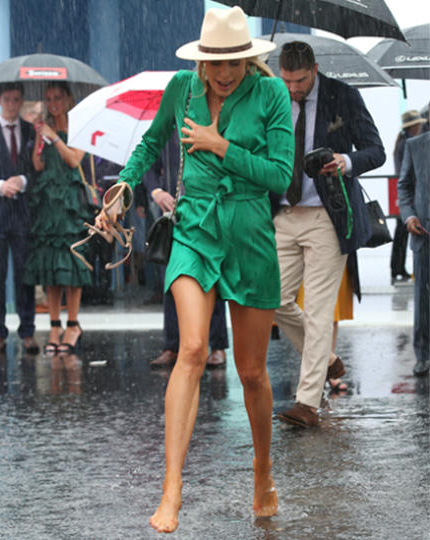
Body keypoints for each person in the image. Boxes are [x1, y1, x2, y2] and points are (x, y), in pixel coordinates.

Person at [98, 7, 292, 532]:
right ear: (201, 61)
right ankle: (172, 488)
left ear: (249, 59)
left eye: (233, 62)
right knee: (191, 349)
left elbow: (280, 174)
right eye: (215, 63)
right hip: (195, 228)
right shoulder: (183, 89)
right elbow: (149, 143)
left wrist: (220, 145)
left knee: (251, 372)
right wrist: (123, 187)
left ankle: (262, 469)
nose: (224, 73)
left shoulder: (272, 95)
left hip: (250, 232)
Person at [272, 40, 382, 428]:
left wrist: (346, 160)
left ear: (314, 70)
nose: (292, 89)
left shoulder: (343, 96)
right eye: (286, 80)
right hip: (282, 214)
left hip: (328, 216)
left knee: (319, 313)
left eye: (299, 81)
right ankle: (329, 360)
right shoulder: (273, 95)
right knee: (273, 299)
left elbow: (376, 151)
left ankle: (307, 404)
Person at [144, 133, 228, 368]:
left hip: (207, 213)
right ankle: (171, 345)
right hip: (175, 217)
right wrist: (157, 192)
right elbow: (148, 166)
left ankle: (218, 345)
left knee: (211, 278)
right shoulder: (166, 130)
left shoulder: (210, 125)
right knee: (173, 280)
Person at [23, 81, 90, 356]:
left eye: (58, 98)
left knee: (72, 265)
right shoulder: (43, 128)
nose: (53, 103)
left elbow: (75, 160)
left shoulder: (79, 126)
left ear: (68, 99)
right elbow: (37, 164)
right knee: (51, 267)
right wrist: (41, 137)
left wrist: (55, 136)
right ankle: (53, 325)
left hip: (71, 204)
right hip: (48, 203)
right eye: (49, 98)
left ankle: (73, 324)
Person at [0, 83, 38, 356]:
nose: (12, 104)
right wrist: (0, 185)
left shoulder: (30, 131)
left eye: (16, 100)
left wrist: (22, 180)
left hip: (22, 215)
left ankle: (27, 331)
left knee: (25, 275)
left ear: (21, 101)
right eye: (7, 100)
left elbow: (38, 171)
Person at [397, 127, 430, 377]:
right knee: (423, 301)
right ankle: (423, 355)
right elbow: (404, 187)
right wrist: (408, 216)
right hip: (423, 234)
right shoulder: (415, 145)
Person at [391, 110, 426, 283]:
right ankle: (398, 267)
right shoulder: (410, 144)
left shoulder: (403, 142)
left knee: (401, 234)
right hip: (411, 196)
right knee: (403, 233)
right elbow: (408, 175)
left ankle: (397, 267)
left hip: (406, 195)